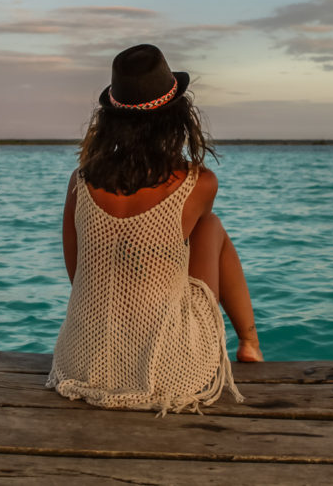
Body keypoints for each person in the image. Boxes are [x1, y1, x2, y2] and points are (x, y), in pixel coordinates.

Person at [46, 44, 262, 415]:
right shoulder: (198, 182)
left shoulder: (79, 181)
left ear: (110, 119)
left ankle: (245, 341)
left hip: (79, 363)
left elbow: (76, 271)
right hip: (168, 372)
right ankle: (250, 342)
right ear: (177, 117)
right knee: (209, 226)